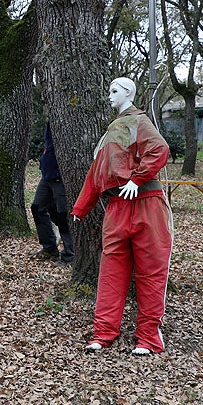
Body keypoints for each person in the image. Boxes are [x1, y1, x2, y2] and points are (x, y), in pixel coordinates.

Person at [71, 77, 171, 355]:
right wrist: (82, 207)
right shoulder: (111, 133)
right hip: (117, 206)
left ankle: (149, 337)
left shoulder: (139, 122)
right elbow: (95, 174)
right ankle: (103, 333)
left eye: (115, 90)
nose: (109, 96)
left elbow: (160, 149)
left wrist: (137, 180)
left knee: (151, 272)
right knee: (111, 273)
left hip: (147, 205)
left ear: (128, 92)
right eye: (109, 90)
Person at [30, 122, 74, 263]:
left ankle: (70, 254)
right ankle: (49, 248)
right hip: (48, 175)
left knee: (63, 215)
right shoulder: (51, 121)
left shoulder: (66, 120)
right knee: (37, 207)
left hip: (60, 176)